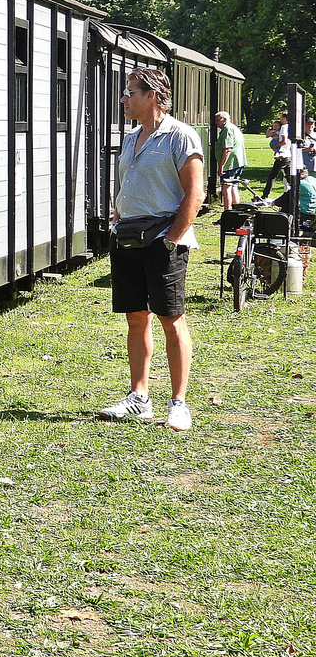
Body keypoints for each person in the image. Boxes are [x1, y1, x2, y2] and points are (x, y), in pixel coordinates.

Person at [99, 67, 203, 432]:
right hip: (128, 238)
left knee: (171, 320)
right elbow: (128, 183)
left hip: (163, 241)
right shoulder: (131, 137)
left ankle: (179, 403)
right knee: (135, 316)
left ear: (153, 95)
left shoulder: (180, 136)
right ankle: (139, 398)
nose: (124, 99)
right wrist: (117, 216)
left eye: (130, 92)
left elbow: (195, 194)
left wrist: (173, 238)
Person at [213, 110, 246, 210]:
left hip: (230, 164)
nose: (216, 123)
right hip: (238, 162)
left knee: (225, 187)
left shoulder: (227, 129)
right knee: (233, 186)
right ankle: (236, 210)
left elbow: (227, 149)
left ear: (225, 120)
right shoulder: (233, 128)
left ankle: (227, 212)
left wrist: (221, 165)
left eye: (218, 120)